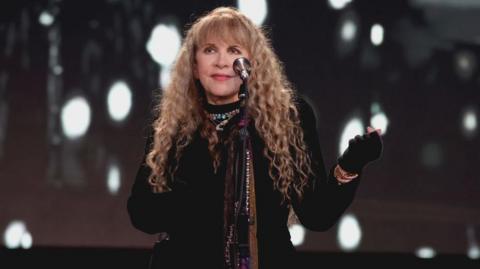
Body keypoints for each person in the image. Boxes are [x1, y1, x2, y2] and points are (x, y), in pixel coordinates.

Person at [127, 6, 383, 269]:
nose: (222, 62)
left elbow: (316, 214)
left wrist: (351, 165)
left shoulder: (287, 118)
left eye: (234, 51)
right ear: (194, 65)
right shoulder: (173, 124)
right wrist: (202, 198)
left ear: (254, 62)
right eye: (210, 50)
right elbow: (142, 213)